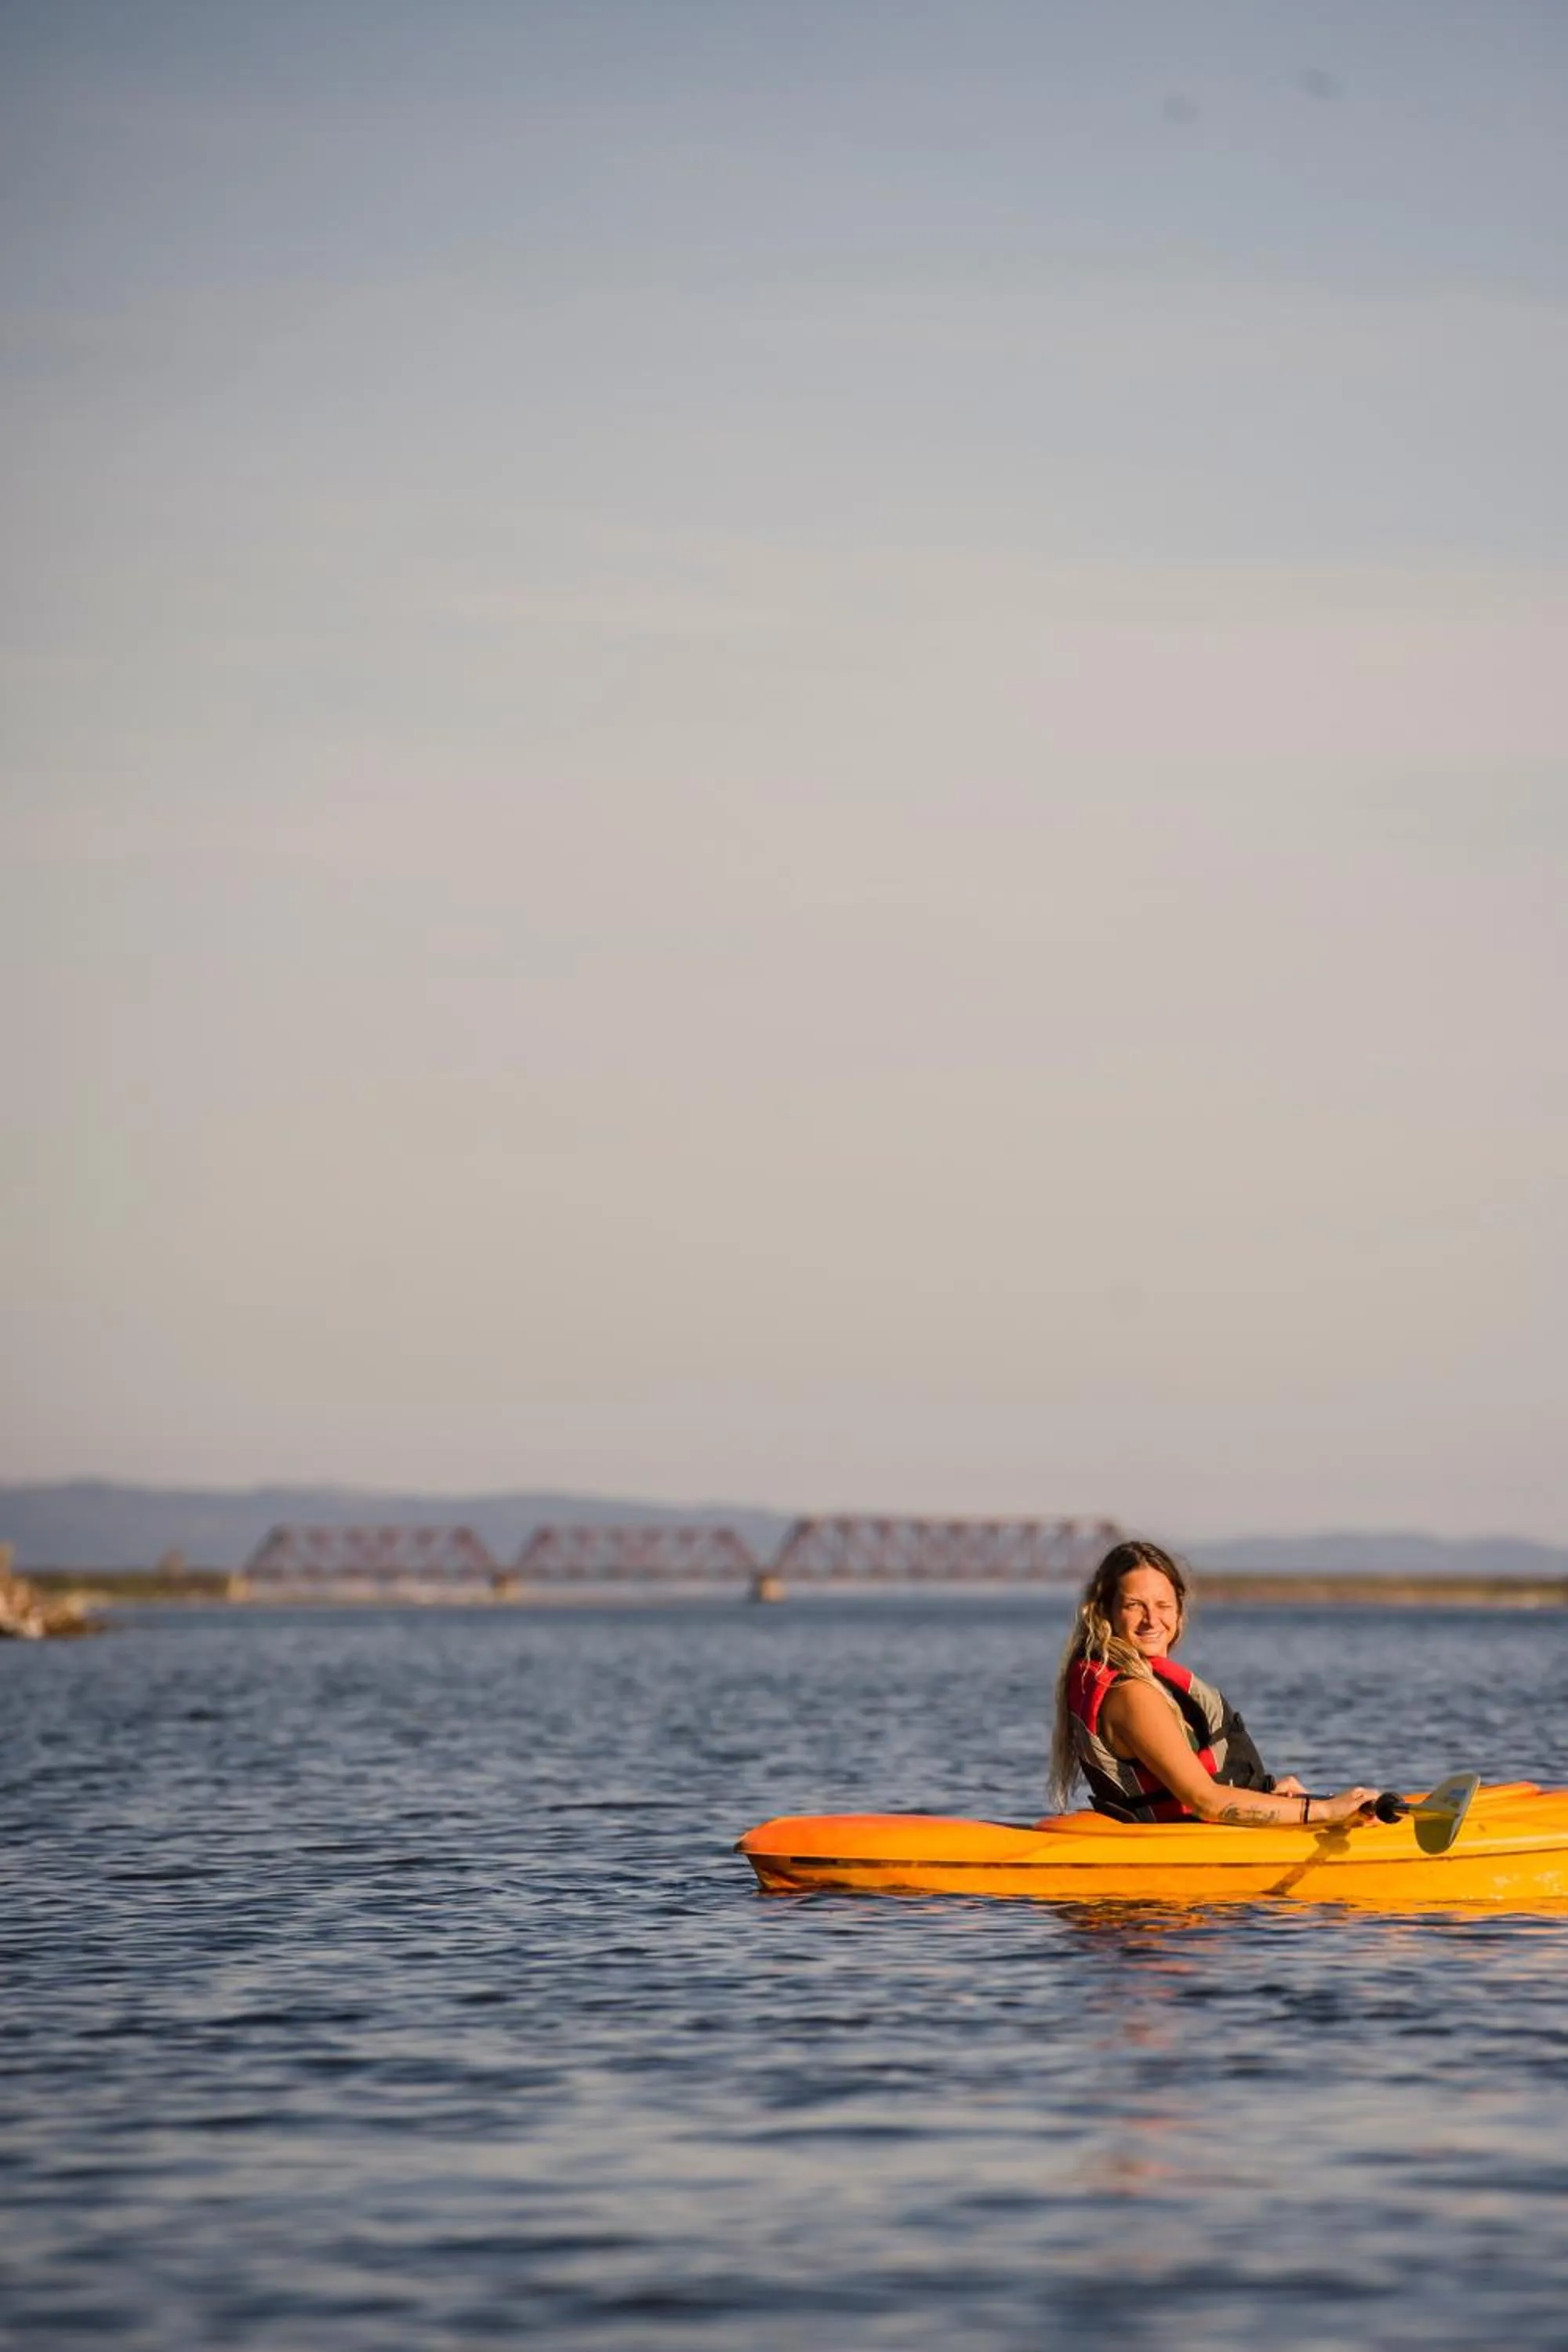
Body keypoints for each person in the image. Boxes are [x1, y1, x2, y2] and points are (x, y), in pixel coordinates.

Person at [1049, 1539, 1378, 1828]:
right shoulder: (1131, 1694)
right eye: (1134, 1606)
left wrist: (1273, 1800)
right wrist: (1324, 1811)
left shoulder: (1126, 1683)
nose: (1152, 1619)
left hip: (1196, 1835)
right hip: (1174, 1870)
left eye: (1163, 1605)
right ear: (1105, 1613)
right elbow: (1205, 1801)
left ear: (1179, 1613)